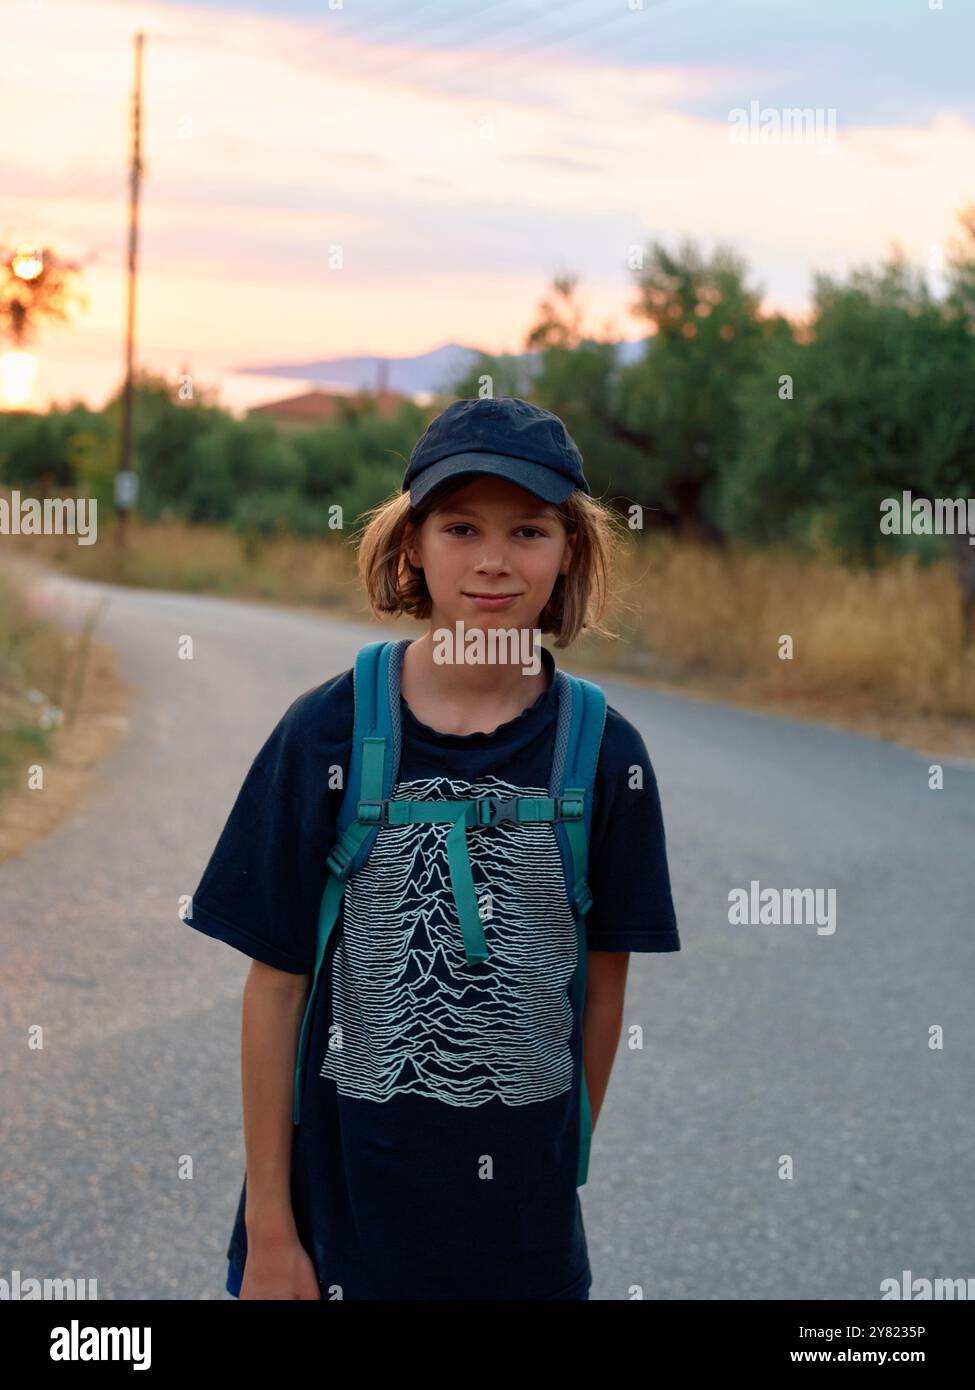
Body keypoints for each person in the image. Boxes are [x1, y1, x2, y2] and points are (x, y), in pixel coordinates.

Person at [187, 396, 680, 1301]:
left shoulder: (606, 755)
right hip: (337, 1228)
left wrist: (556, 1167)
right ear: (412, 541)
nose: (493, 560)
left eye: (528, 530)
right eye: (461, 527)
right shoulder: (326, 732)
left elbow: (605, 981)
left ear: (568, 547)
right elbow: (275, 985)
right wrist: (269, 1230)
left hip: (522, 1249)